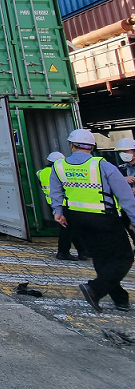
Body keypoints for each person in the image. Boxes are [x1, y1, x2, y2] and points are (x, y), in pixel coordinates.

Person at [50, 129, 135, 312]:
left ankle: (120, 299)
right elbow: (125, 196)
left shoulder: (59, 166)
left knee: (101, 258)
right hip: (103, 217)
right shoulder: (103, 166)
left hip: (75, 218)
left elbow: (56, 192)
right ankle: (95, 289)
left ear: (71, 145)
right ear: (92, 147)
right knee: (124, 257)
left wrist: (58, 212)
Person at [38, 151, 89, 261]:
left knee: (71, 228)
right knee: (68, 229)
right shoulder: (58, 171)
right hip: (65, 203)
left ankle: (82, 251)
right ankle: (64, 252)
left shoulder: (41, 173)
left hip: (52, 203)